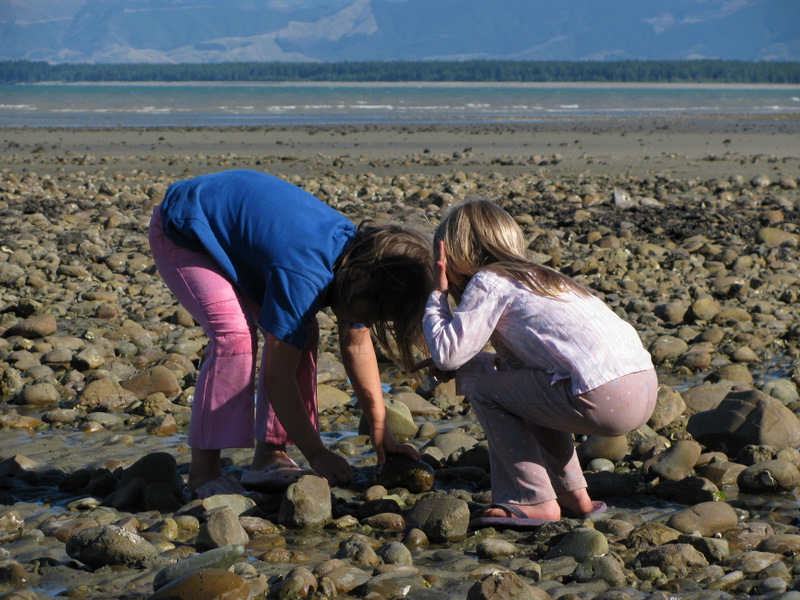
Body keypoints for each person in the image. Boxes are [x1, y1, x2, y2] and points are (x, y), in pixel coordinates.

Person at [148, 169, 432, 498]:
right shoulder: (304, 274)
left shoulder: (361, 265)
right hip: (187, 229)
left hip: (242, 237)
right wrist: (317, 454)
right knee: (234, 336)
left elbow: (356, 345)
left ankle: (270, 455)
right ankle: (203, 472)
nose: (366, 322)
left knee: (303, 332)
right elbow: (277, 378)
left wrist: (380, 427)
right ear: (358, 277)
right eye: (371, 314)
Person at [416, 198, 656, 527]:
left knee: (483, 389)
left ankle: (533, 500)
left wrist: (438, 295)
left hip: (603, 396)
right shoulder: (542, 277)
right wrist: (465, 364)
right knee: (529, 388)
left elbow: (448, 353)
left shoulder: (490, 281)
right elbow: (525, 371)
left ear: (451, 254)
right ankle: (575, 497)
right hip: (642, 385)